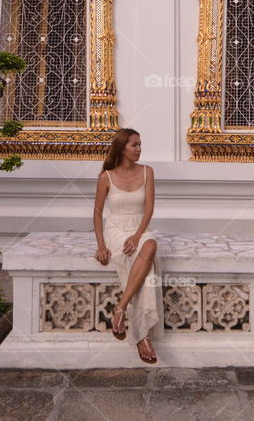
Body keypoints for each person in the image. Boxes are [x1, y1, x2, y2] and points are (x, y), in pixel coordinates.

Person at [93, 128, 163, 364]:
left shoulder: (147, 172)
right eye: (134, 145)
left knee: (150, 245)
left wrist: (137, 235)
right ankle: (142, 336)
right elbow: (97, 213)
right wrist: (101, 245)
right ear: (122, 147)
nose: (139, 149)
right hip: (115, 230)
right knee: (145, 267)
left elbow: (149, 208)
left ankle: (120, 308)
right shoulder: (106, 177)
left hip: (138, 228)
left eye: (140, 144)